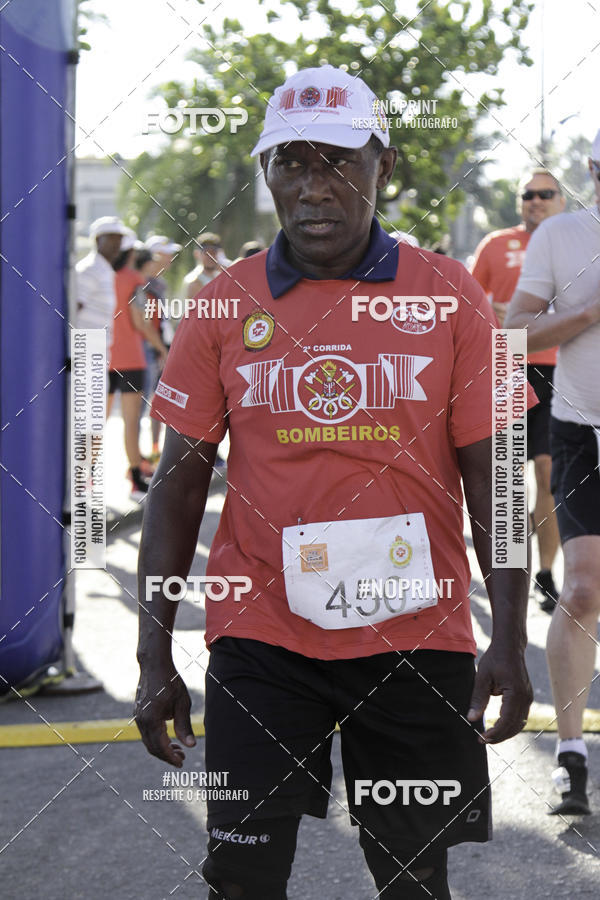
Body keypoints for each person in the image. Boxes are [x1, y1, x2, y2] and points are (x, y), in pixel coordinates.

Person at [135, 65, 533, 900]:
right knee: (240, 873)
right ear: (269, 174)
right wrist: (152, 652)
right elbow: (177, 484)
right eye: (292, 163)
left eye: (339, 160)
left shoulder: (450, 296)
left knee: (413, 876)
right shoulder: (223, 304)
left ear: (382, 165)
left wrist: (506, 639)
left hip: (417, 635)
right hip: (263, 636)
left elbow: (497, 477)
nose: (314, 186)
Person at [505, 131, 600, 816]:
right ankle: (573, 755)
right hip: (577, 429)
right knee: (584, 590)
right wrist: (591, 312)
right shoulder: (560, 235)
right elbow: (513, 332)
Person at [471, 170, 566, 613]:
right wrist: (490, 307)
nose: (536, 201)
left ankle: (546, 573)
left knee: (547, 475)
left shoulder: (575, 241)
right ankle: (512, 577)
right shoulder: (495, 244)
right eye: (528, 194)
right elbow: (468, 299)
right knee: (509, 481)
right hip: (507, 362)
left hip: (558, 368)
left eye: (545, 194)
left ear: (561, 200)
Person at [108, 233, 168, 499]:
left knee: (96, 422)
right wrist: (162, 349)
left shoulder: (103, 275)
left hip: (104, 356)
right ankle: (135, 479)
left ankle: (84, 480)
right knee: (132, 422)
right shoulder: (135, 281)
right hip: (131, 358)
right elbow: (141, 323)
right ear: (132, 253)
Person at [141, 235, 182, 461]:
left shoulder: (160, 283)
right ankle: (146, 457)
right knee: (148, 403)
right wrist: (160, 349)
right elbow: (147, 322)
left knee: (160, 401)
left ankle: (155, 451)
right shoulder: (144, 283)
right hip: (151, 348)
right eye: (167, 255)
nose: (170, 260)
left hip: (160, 347)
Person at [75, 215, 129, 336]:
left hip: (96, 345)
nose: (117, 243)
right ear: (98, 240)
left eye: (119, 238)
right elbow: (73, 309)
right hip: (86, 344)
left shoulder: (105, 269)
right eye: (111, 238)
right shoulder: (90, 268)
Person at [181, 232, 231, 300]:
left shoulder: (220, 276)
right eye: (206, 253)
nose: (211, 257)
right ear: (197, 254)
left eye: (213, 253)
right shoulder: (193, 281)